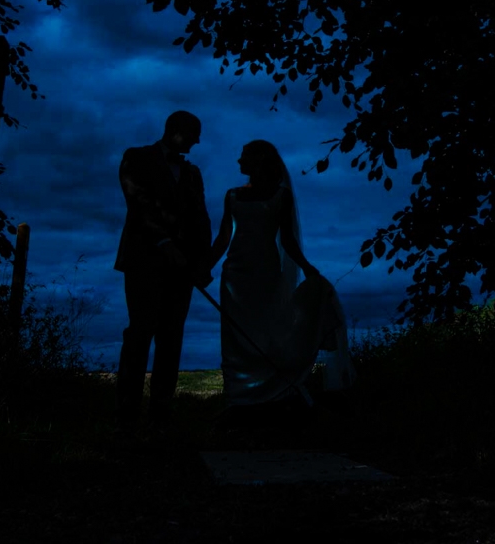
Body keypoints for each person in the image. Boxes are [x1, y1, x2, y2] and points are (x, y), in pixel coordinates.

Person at [210, 140, 333, 408]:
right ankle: (237, 400)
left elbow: (288, 241)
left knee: (266, 334)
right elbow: (223, 238)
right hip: (235, 277)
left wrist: (307, 267)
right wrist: (202, 267)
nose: (238, 161)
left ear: (259, 160)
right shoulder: (232, 195)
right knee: (235, 339)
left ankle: (268, 397)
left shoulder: (281, 196)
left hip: (266, 275)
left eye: (243, 156)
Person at [113, 111, 213, 432]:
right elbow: (138, 203)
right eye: (194, 133)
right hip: (144, 262)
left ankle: (161, 411)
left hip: (182, 271)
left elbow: (201, 219)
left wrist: (202, 263)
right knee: (140, 332)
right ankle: (127, 410)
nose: (198, 141)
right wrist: (165, 242)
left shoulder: (192, 173)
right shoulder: (136, 158)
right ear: (177, 131)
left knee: (172, 337)